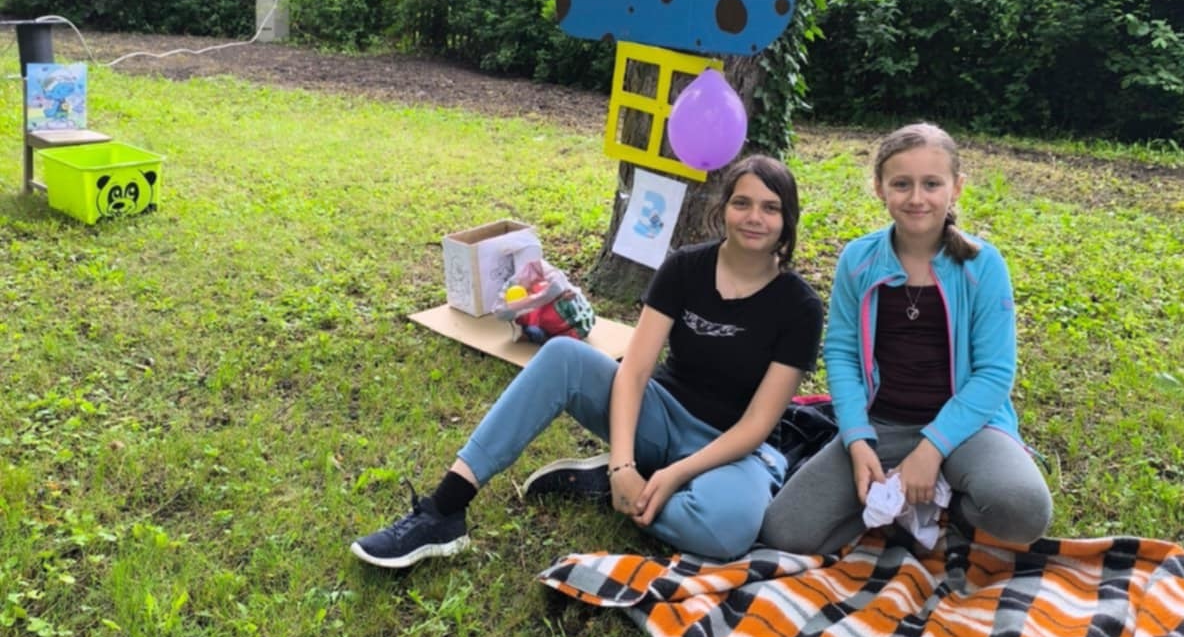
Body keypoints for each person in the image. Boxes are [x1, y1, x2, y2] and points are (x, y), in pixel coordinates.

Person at [351, 155, 824, 571]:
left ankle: (620, 488)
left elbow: (757, 424)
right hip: (659, 417)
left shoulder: (800, 307)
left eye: (770, 208)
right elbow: (634, 371)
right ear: (722, 209)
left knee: (729, 531)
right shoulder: (685, 268)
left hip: (734, 449)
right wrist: (623, 462)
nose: (754, 217)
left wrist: (673, 474)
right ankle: (443, 512)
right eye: (742, 203)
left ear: (787, 220)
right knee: (563, 356)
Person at [760, 123, 1052, 558]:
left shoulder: (983, 265)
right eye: (901, 184)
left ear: (956, 188)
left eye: (932, 184)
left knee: (1023, 509)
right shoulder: (858, 260)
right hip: (881, 425)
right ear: (879, 188)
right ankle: (898, 502)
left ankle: (948, 497)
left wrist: (931, 450)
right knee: (786, 533)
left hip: (967, 429)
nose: (917, 198)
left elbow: (994, 373)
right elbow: (841, 354)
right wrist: (856, 439)